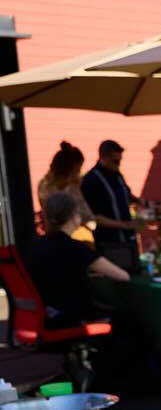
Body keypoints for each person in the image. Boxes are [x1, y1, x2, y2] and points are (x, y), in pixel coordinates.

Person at [23, 192, 129, 329]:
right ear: (73, 217)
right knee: (128, 318)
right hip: (71, 319)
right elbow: (122, 276)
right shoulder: (75, 248)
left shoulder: (36, 245)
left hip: (45, 318)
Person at [81, 139, 148, 271]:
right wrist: (125, 225)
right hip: (110, 243)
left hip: (128, 240)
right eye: (115, 161)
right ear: (103, 157)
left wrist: (142, 203)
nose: (119, 164)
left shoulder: (117, 175)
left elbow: (127, 194)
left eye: (120, 161)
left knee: (133, 271)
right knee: (120, 276)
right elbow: (95, 217)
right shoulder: (91, 181)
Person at [37, 141, 95, 241]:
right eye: (78, 170)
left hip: (51, 235)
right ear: (71, 169)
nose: (79, 173)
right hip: (75, 237)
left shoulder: (44, 185)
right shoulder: (70, 188)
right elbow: (88, 218)